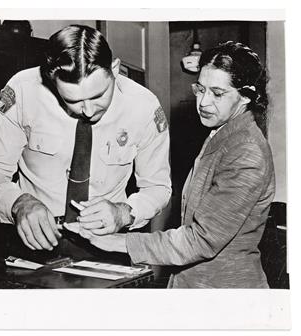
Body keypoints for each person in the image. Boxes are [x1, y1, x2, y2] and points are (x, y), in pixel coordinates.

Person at [73, 41, 276, 288]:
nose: (203, 102)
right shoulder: (224, 134)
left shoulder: (245, 151)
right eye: (200, 89)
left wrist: (119, 242)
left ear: (246, 95)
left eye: (217, 93)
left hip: (225, 291)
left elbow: (201, 240)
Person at [0, 24, 171, 254]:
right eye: (73, 100)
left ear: (115, 69)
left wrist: (123, 212)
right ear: (51, 81)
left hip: (107, 243)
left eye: (99, 95)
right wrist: (19, 203)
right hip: (30, 239)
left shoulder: (144, 106)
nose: (88, 111)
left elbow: (158, 187)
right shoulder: (23, 91)